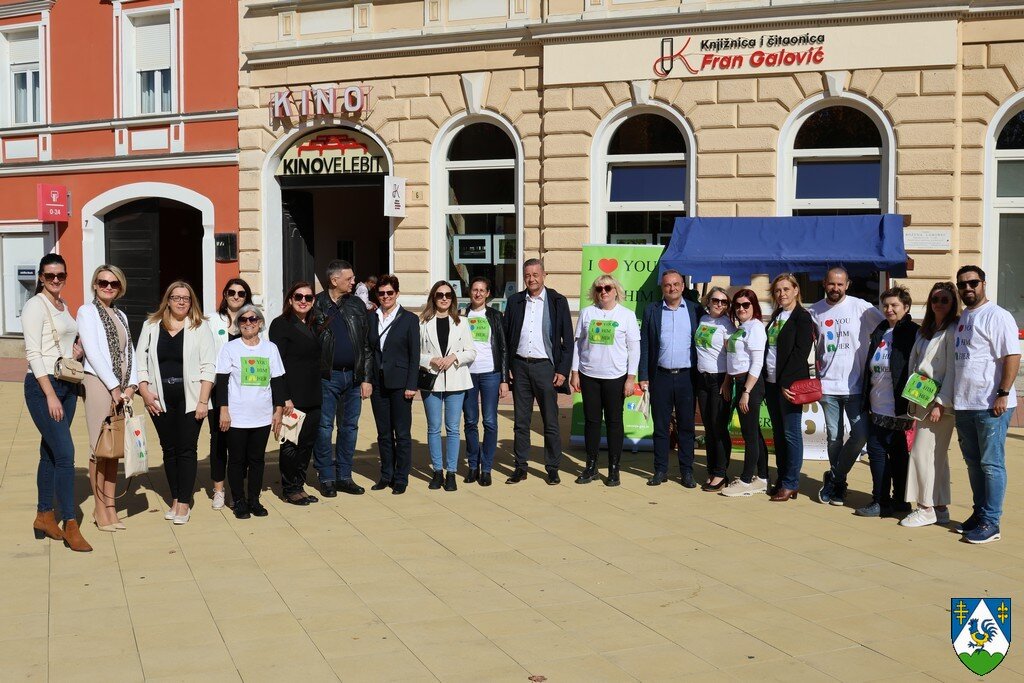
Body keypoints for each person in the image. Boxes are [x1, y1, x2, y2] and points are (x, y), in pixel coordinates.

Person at [24, 254, 91, 552]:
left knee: (50, 453)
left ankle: (43, 515)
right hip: (44, 387)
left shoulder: (63, 306)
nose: (55, 280)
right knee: (66, 454)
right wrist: (49, 394)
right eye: (49, 275)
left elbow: (60, 346)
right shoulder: (34, 306)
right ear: (40, 277)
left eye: (60, 275)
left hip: (67, 383)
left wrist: (75, 354)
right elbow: (34, 353)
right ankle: (70, 522)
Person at [137, 281, 216, 525]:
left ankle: (184, 502)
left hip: (192, 399)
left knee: (186, 449)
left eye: (186, 298)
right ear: (167, 300)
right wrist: (145, 393)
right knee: (168, 450)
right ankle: (174, 498)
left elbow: (209, 367)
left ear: (191, 302)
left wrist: (203, 401)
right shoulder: (150, 326)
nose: (181, 301)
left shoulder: (200, 327)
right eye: (176, 297)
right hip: (159, 399)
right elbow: (140, 364)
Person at [953, 265, 1020, 544]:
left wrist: (1003, 392)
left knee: (991, 464)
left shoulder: (998, 315)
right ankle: (980, 513)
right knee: (972, 463)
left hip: (990, 403)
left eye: (973, 283)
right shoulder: (964, 317)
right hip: (965, 402)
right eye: (963, 285)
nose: (968, 289)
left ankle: (992, 522)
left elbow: (1012, 356)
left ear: (983, 283)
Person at [810, 267, 885, 507]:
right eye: (832, 284)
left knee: (860, 434)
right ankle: (839, 488)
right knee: (834, 437)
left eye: (840, 284)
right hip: (828, 386)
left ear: (848, 285)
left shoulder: (861, 307)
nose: (835, 288)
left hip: (855, 386)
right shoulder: (815, 311)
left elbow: (885, 329)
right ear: (824, 283)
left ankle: (834, 477)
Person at [503, 259, 573, 485]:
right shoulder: (514, 302)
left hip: (546, 367)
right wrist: (508, 369)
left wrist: (563, 370)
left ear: (544, 275)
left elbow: (568, 341)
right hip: (520, 367)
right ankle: (520, 467)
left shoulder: (557, 301)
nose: (531, 279)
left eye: (535, 274)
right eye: (527, 275)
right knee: (521, 421)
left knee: (550, 421)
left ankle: (552, 467)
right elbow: (505, 339)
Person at [77, 265, 137, 531]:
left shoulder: (121, 314)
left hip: (121, 389)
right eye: (103, 282)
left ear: (120, 287)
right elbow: (92, 351)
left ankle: (111, 506)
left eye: (113, 283)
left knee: (114, 451)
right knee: (99, 449)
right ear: (95, 284)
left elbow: (129, 352)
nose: (108, 287)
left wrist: (131, 385)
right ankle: (99, 509)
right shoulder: (87, 312)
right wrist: (113, 386)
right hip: (99, 384)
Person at [569, 275, 641, 486]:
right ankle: (590, 466)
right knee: (591, 423)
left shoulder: (626, 315)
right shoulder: (587, 313)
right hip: (589, 375)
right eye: (599, 288)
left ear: (616, 290)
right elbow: (578, 344)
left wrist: (631, 378)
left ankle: (613, 469)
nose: (603, 292)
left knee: (614, 423)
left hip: (615, 377)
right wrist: (575, 372)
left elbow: (634, 349)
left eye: (608, 287)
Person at [854, 286, 919, 518]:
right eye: (886, 305)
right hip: (877, 403)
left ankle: (884, 501)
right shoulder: (881, 329)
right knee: (894, 454)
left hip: (898, 407)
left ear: (906, 308)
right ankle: (898, 501)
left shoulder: (913, 332)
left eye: (894, 305)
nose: (889, 309)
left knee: (881, 452)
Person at [311, 259, 374, 497]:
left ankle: (344, 476)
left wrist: (366, 378)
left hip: (354, 378)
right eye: (349, 278)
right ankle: (326, 477)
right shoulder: (316, 304)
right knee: (325, 427)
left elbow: (366, 345)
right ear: (334, 280)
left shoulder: (357, 304)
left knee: (349, 427)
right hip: (327, 378)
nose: (354, 281)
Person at [216, 304, 285, 519]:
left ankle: (254, 500)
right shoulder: (230, 348)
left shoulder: (270, 348)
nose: (248, 323)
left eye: (253, 319)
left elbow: (278, 381)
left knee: (257, 460)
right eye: (243, 320)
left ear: (260, 323)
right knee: (236, 460)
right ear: (238, 324)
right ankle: (239, 501)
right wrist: (223, 411)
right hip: (236, 416)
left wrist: (278, 410)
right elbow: (222, 381)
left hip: (262, 416)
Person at [638, 270, 703, 488]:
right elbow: (645, 344)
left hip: (687, 377)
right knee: (661, 427)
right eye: (667, 285)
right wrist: (643, 376)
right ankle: (660, 470)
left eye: (676, 284)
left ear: (683, 286)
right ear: (662, 288)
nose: (672, 288)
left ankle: (686, 471)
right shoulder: (652, 311)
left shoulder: (695, 310)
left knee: (686, 427)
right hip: (660, 377)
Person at [901, 282, 958, 528]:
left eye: (945, 300)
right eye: (936, 299)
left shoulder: (953, 330)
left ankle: (925, 507)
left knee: (921, 453)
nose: (939, 304)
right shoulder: (925, 330)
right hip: (921, 397)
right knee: (935, 456)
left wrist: (941, 402)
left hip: (939, 402)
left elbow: (954, 370)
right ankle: (940, 506)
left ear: (953, 303)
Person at [269, 282, 323, 505]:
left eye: (308, 298)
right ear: (290, 300)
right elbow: (276, 364)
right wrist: (283, 398)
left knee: (306, 444)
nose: (303, 301)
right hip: (292, 397)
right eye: (298, 296)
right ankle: (290, 489)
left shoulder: (313, 324)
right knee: (290, 444)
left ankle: (299, 485)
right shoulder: (280, 325)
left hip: (313, 395)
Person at [419, 281, 476, 491]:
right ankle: (437, 471)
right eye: (440, 295)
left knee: (453, 429)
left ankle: (451, 472)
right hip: (432, 380)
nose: (444, 298)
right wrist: (430, 360)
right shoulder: (423, 322)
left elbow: (471, 352)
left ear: (453, 298)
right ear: (433, 298)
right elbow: (415, 353)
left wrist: (454, 357)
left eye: (448, 295)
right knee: (433, 428)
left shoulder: (462, 322)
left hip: (455, 379)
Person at [763, 273, 814, 502]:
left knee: (791, 434)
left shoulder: (802, 317)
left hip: (789, 386)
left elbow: (800, 353)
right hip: (772, 384)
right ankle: (783, 478)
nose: (781, 294)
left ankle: (791, 483)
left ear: (795, 291)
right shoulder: (776, 316)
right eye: (777, 290)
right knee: (778, 434)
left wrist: (786, 382)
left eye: (786, 289)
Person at [368, 275, 420, 494]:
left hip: (400, 383)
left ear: (397, 294)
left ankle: (401, 477)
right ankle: (386, 474)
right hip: (378, 383)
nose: (386, 296)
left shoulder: (409, 319)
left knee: (402, 432)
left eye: (390, 292)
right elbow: (368, 350)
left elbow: (414, 354)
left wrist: (411, 384)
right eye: (381, 293)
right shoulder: (371, 318)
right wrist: (366, 380)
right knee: (383, 433)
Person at [207, 278, 252, 510]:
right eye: (232, 292)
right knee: (219, 440)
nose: (236, 296)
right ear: (225, 294)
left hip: (245, 392)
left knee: (241, 443)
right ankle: (218, 490)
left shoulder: (252, 319)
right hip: (218, 388)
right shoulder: (211, 321)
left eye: (241, 293)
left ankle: (237, 489)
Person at [720, 289, 770, 497]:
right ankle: (763, 477)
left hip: (750, 384)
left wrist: (746, 391)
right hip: (737, 381)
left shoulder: (756, 328)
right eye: (738, 305)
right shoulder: (741, 328)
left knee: (749, 434)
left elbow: (757, 363)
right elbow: (733, 359)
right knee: (754, 432)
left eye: (746, 305)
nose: (741, 308)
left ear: (754, 306)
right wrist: (726, 380)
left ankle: (747, 480)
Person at [461, 276, 509, 486]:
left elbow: (504, 348)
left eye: (482, 290)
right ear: (470, 292)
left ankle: (486, 468)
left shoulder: (496, 316)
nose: (478, 293)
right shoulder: (461, 316)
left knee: (489, 421)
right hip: (467, 374)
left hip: (490, 373)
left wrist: (504, 379)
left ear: (488, 293)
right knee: (471, 421)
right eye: (475, 290)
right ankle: (473, 466)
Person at [694, 286, 735, 491]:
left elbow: (732, 357)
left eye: (724, 302)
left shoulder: (727, 325)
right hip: (702, 378)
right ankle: (712, 470)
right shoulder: (702, 320)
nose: (719, 304)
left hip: (720, 380)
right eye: (716, 300)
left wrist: (727, 382)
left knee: (719, 427)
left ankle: (721, 473)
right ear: (708, 301)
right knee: (709, 428)